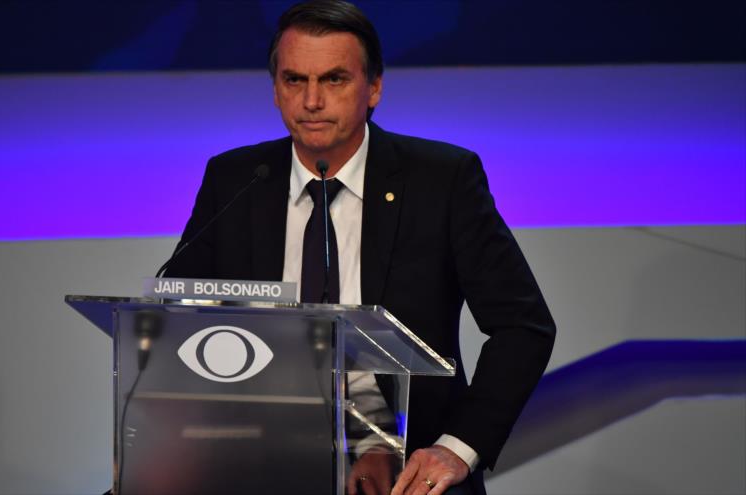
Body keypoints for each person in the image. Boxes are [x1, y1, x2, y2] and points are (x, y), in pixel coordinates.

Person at [164, 1, 555, 493]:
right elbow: (177, 315)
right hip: (260, 459)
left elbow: (524, 327)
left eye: (333, 79)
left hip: (406, 471)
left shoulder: (442, 180)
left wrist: (457, 448)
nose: (311, 101)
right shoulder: (236, 178)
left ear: (373, 88)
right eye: (294, 80)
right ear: (276, 90)